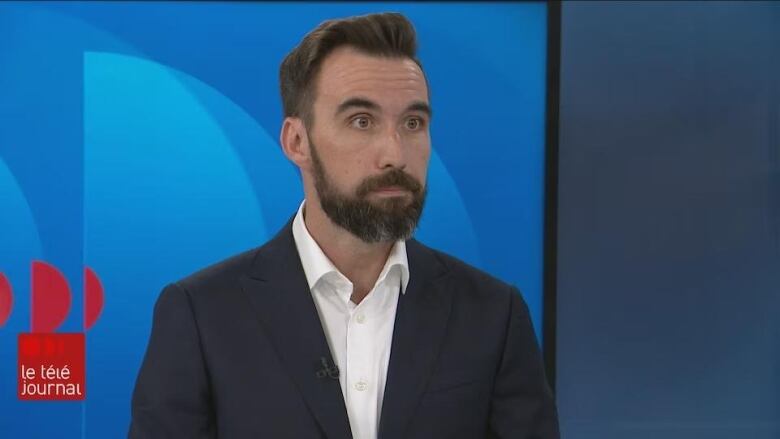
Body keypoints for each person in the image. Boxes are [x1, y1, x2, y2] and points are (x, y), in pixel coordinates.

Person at [129, 12, 559, 439]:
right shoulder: (202, 315)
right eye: (361, 121)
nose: (395, 154)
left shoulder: (492, 315)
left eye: (413, 123)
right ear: (297, 142)